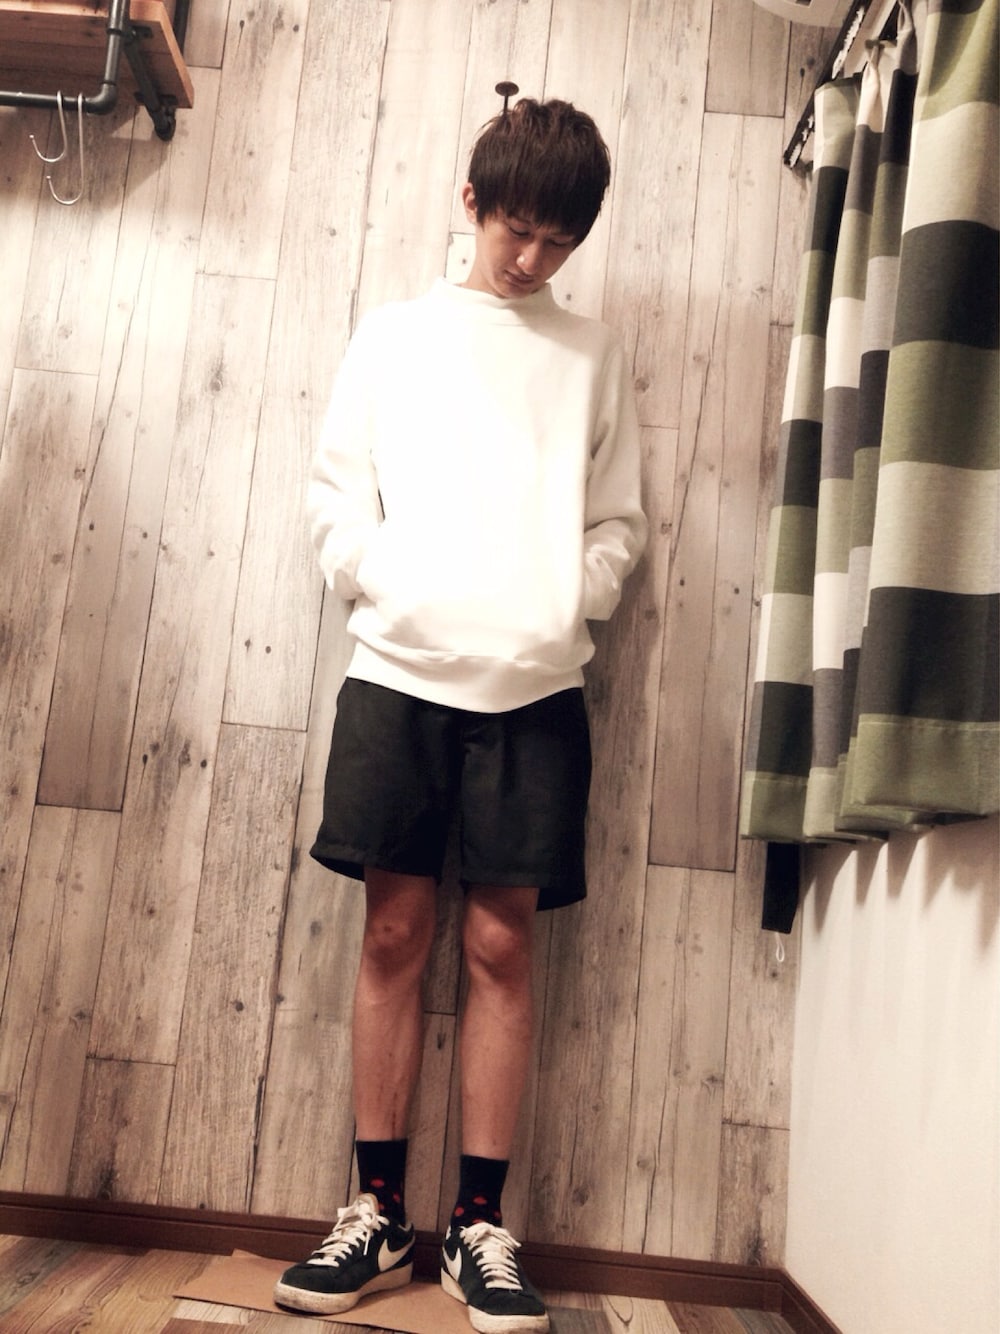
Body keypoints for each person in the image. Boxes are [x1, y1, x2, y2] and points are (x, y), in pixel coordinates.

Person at [273, 89, 646, 1334]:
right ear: (472, 201)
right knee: (392, 933)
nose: (530, 258)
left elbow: (619, 523)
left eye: (557, 241)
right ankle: (376, 1208)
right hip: (397, 673)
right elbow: (336, 499)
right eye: (515, 229)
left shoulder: (589, 356)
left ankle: (480, 1225)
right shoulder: (395, 337)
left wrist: (564, 601)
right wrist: (391, 581)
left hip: (534, 688)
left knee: (500, 947)